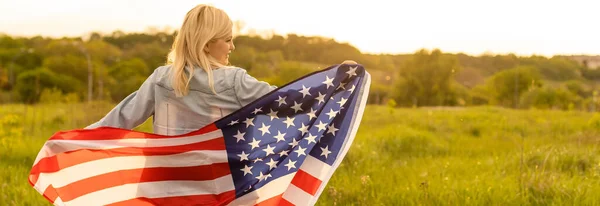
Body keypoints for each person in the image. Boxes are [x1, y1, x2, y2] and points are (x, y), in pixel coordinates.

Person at [85, 4, 357, 135]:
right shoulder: (235, 81)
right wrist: (338, 79)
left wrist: (74, 140)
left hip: (165, 187)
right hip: (222, 188)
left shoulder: (161, 78)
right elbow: (293, 100)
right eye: (227, 39)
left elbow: (120, 119)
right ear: (207, 43)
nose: (232, 47)